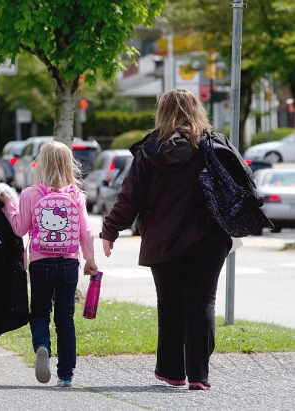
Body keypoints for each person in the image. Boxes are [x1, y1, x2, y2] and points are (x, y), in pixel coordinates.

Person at [100, 89, 232, 391]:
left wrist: (110, 230)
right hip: (208, 238)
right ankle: (199, 375)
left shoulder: (150, 149)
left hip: (164, 238)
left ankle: (172, 371)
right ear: (197, 109)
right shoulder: (213, 144)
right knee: (203, 303)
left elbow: (130, 197)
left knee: (170, 303)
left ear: (161, 111)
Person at [0, 141, 99, 388]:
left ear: (40, 164)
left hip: (40, 263)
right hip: (68, 263)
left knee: (41, 312)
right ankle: (65, 375)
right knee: (66, 318)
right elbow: (85, 231)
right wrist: (90, 258)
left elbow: (20, 228)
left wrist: (8, 206)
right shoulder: (76, 195)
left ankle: (42, 346)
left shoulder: (31, 194)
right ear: (69, 165)